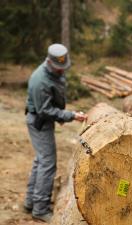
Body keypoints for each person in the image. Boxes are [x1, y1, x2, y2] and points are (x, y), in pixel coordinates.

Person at [24, 43, 87, 223]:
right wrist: (71, 115)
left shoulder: (54, 72)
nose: (62, 71)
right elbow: (45, 111)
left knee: (41, 160)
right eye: (59, 68)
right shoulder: (40, 81)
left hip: (44, 119)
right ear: (49, 63)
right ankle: (40, 208)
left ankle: (31, 202)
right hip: (39, 121)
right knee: (47, 163)